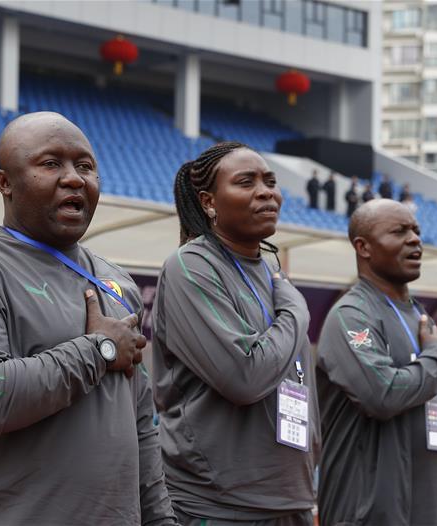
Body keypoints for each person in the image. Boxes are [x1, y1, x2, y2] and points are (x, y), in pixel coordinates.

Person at [0, 112, 176, 525]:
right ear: (5, 183)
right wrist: (99, 350)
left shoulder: (115, 281)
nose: (74, 179)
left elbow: (139, 422)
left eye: (85, 166)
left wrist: (161, 519)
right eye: (51, 164)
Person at [153, 141, 318, 525]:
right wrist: (295, 310)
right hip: (220, 504)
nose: (266, 191)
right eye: (246, 182)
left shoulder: (270, 272)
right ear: (209, 201)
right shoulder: (191, 266)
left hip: (289, 497)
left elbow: (297, 378)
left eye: (271, 181)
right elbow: (244, 377)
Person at [316, 199, 437, 526]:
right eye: (399, 232)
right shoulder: (351, 315)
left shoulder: (420, 316)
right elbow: (382, 394)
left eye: (416, 231)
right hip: (369, 514)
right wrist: (434, 357)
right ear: (364, 247)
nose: (415, 239)